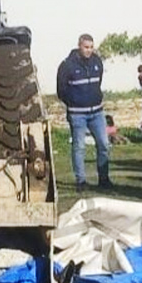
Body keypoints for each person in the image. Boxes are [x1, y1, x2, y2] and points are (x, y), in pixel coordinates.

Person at [56, 33, 113, 190]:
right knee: (79, 147)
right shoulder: (67, 65)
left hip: (97, 112)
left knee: (104, 144)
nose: (89, 50)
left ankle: (104, 179)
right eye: (86, 47)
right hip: (77, 114)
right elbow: (61, 90)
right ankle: (81, 181)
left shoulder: (97, 62)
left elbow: (98, 82)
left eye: (91, 47)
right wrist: (73, 102)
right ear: (79, 46)